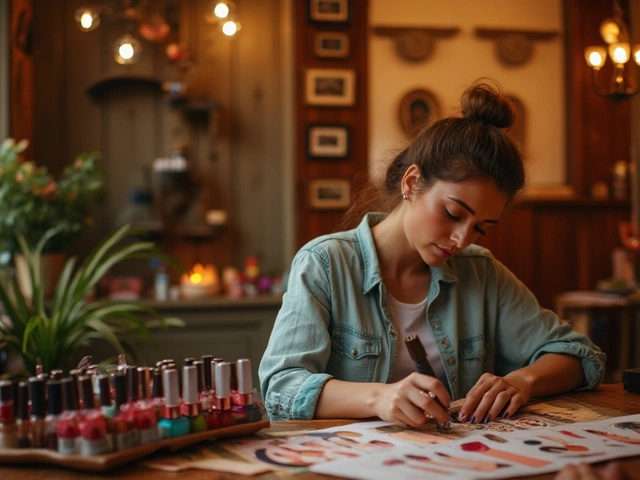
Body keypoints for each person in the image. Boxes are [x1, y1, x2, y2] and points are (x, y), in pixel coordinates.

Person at [259, 80, 606, 428]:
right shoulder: (324, 264)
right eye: (453, 214)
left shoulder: (482, 273)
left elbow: (581, 356)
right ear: (411, 183)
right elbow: (281, 387)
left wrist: (522, 381)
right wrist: (380, 397)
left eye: (480, 227)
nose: (461, 238)